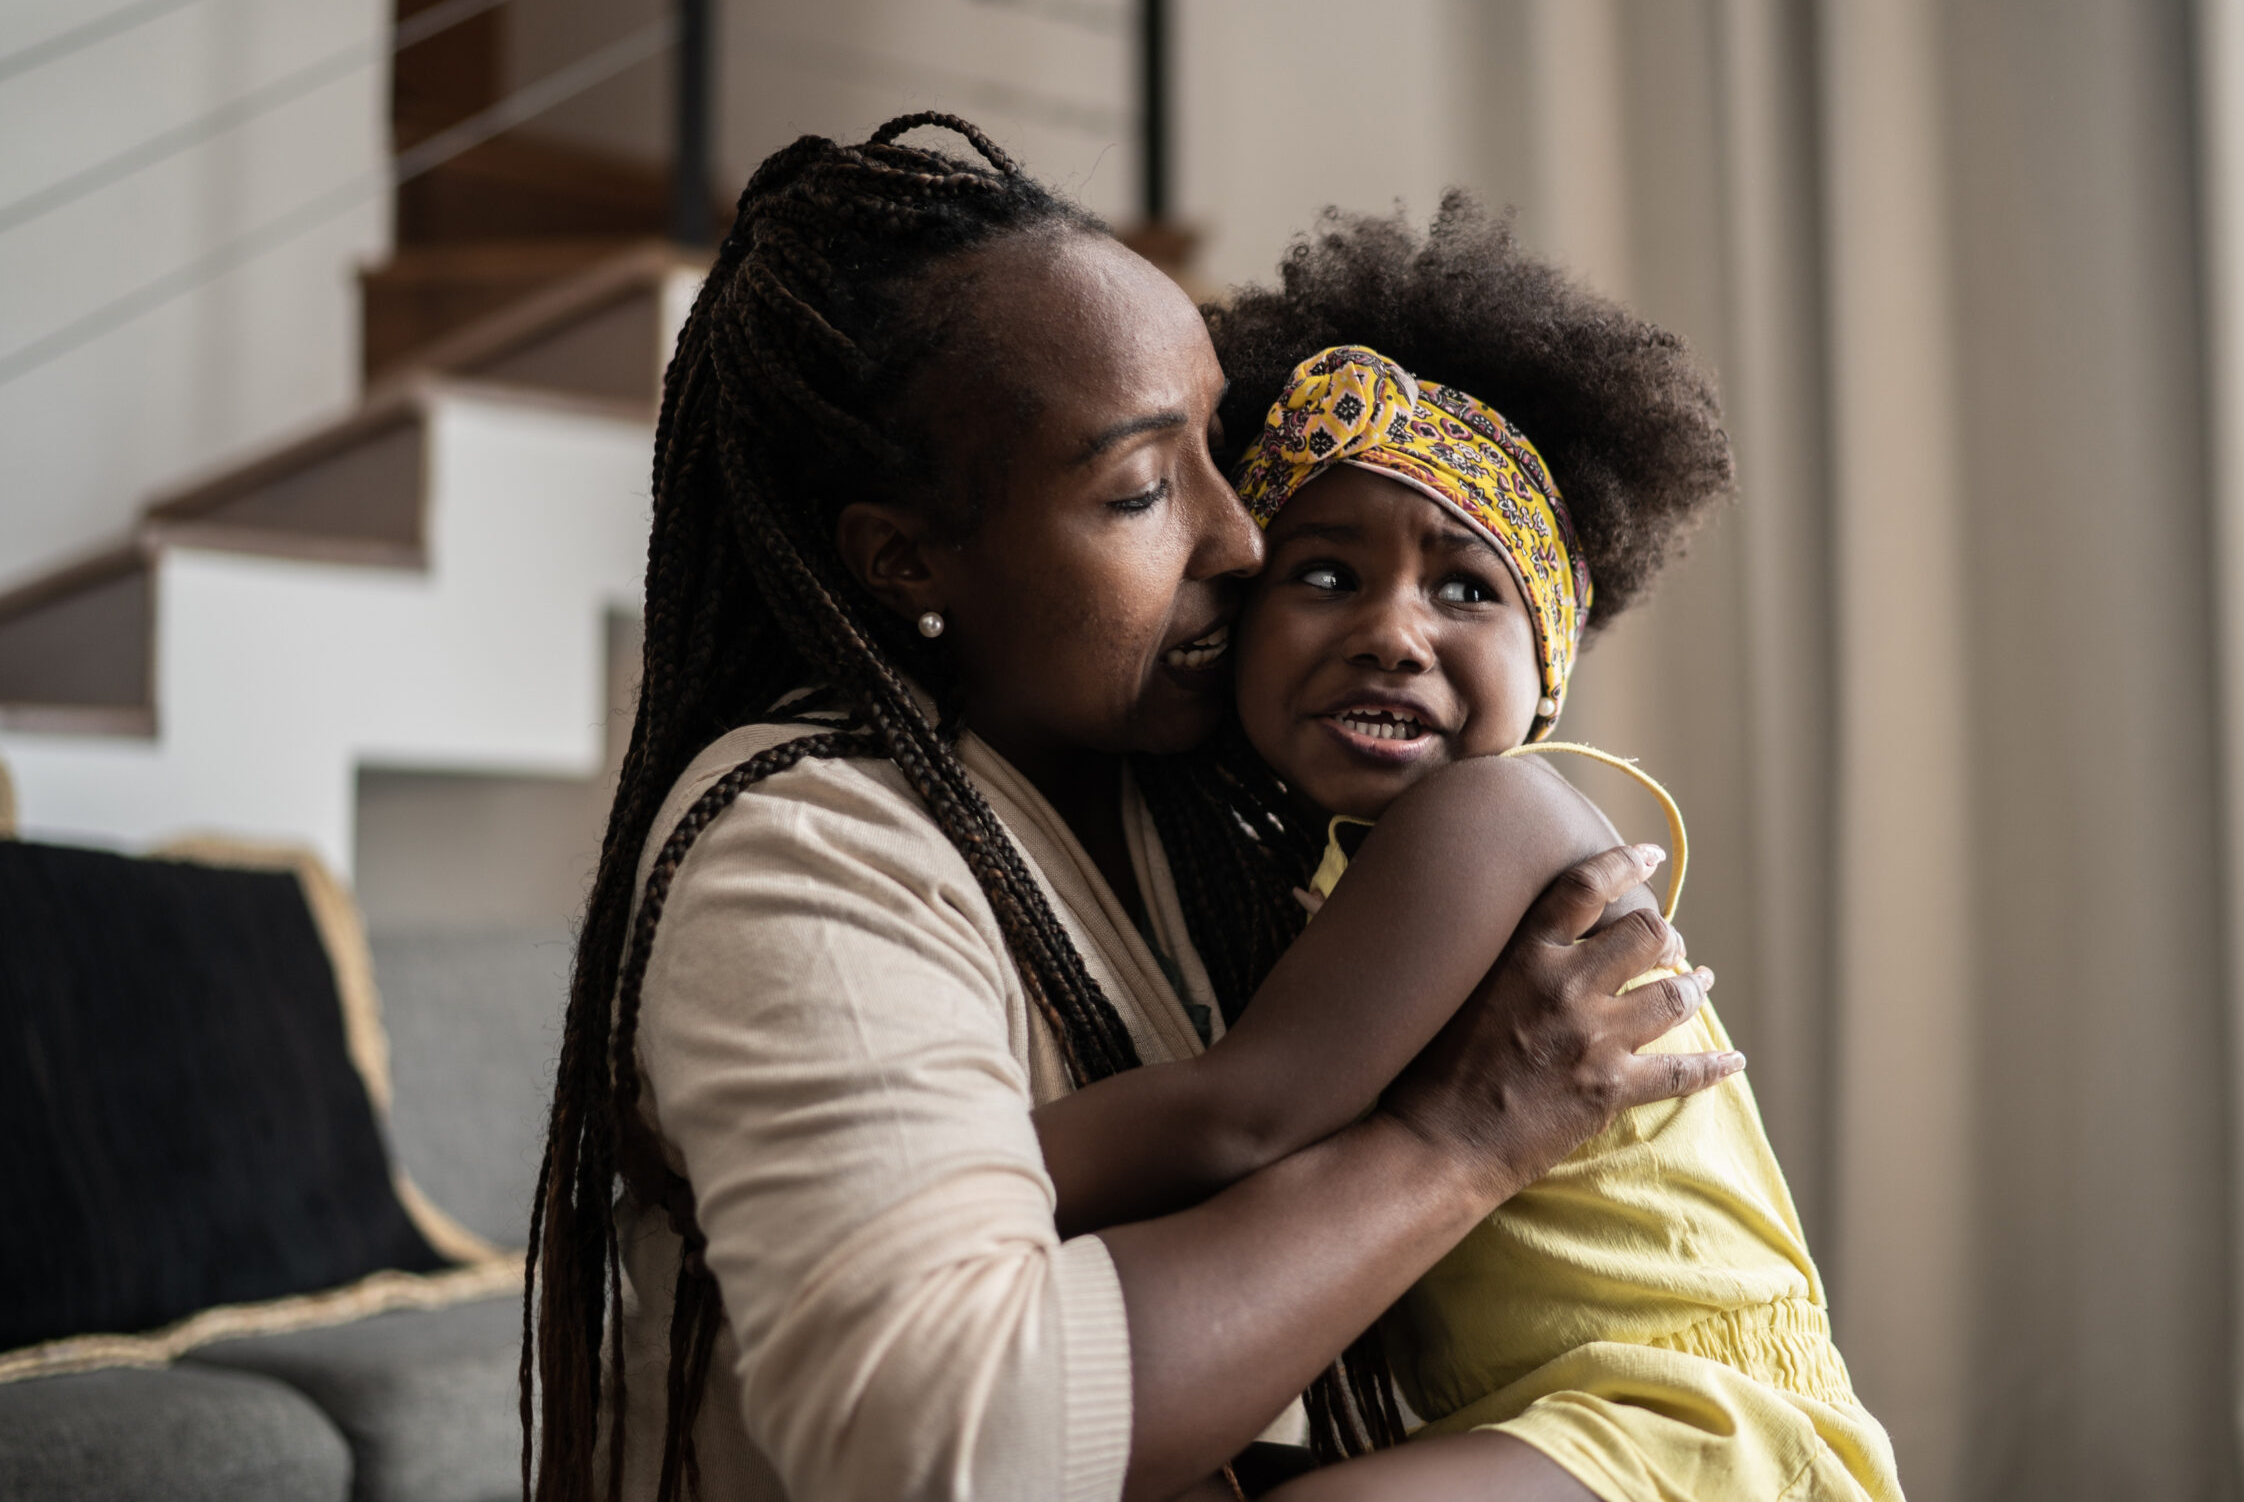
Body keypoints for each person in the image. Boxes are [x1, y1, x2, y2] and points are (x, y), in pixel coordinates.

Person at [522, 120, 1736, 1502]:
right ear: (905, 558)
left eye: (1223, 449)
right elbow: (954, 1445)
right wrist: (1454, 1147)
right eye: (1145, 488)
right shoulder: (806, 855)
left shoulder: (1225, 798)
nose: (1243, 539)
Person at [1032, 203, 1897, 1502]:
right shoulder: (1302, 866)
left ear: (1545, 665)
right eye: (1322, 576)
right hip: (1547, 1418)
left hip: (1682, 1410)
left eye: (1463, 590)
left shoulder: (1489, 818)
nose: (1393, 632)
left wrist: (934, 1177)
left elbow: (1240, 1118)